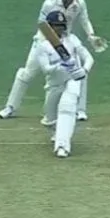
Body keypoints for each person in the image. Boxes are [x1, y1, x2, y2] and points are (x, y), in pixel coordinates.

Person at [0, 0, 104, 121]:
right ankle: (10, 107)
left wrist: (91, 36)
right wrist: (54, 44)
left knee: (78, 73)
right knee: (26, 74)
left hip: (65, 42)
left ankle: (80, 110)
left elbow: (85, 20)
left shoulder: (80, 4)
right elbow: (42, 24)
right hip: (43, 42)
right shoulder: (50, 3)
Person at [32, 11, 93, 158]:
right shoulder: (43, 46)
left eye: (60, 26)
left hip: (72, 81)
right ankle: (56, 131)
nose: (58, 29)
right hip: (54, 84)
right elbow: (46, 70)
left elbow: (89, 57)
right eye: (54, 26)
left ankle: (62, 146)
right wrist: (61, 64)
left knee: (67, 108)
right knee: (49, 118)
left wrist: (84, 70)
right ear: (49, 27)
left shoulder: (72, 40)